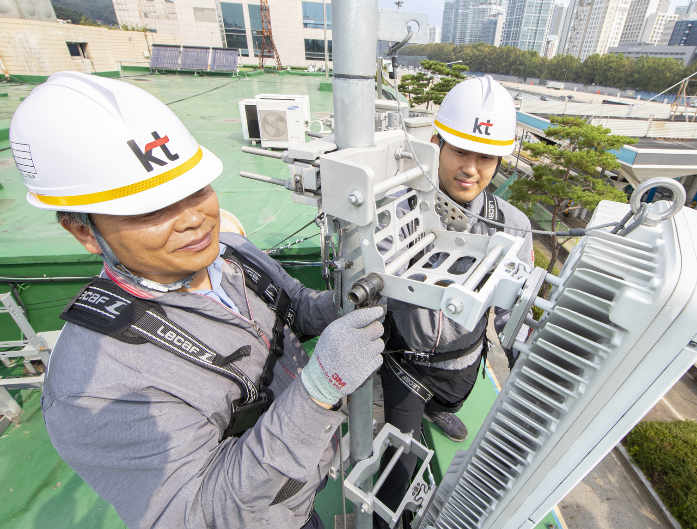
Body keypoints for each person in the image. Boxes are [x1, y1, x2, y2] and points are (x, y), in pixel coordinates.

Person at [11, 72, 385, 529]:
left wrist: (345, 305)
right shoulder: (93, 387)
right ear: (85, 231)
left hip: (304, 483)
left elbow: (296, 309)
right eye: (150, 208)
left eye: (195, 189)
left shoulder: (230, 251)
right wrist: (318, 390)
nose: (194, 219)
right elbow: (205, 512)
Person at [374, 75, 534, 528]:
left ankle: (440, 411)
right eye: (461, 150)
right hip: (405, 362)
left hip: (464, 361)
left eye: (485, 156)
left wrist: (531, 356)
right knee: (397, 468)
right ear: (436, 144)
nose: (471, 168)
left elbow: (511, 314)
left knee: (453, 407)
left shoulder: (513, 226)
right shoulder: (394, 213)